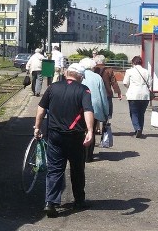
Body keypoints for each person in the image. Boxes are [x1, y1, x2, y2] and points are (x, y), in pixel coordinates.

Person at [34, 63, 94, 218]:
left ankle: (50, 202)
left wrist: (37, 127)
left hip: (54, 135)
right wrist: (90, 130)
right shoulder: (83, 90)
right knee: (77, 169)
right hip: (75, 136)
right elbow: (88, 110)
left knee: (54, 169)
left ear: (67, 73)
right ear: (80, 77)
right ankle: (79, 200)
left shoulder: (52, 88)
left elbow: (41, 109)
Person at [79, 58, 108, 162]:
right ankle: (89, 156)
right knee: (91, 130)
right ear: (92, 67)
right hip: (94, 107)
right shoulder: (97, 77)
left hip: (80, 107)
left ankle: (80, 154)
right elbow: (103, 95)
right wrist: (106, 111)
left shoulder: (79, 76)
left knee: (80, 130)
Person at [122, 55, 152, 138]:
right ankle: (140, 130)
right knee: (141, 113)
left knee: (134, 113)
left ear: (133, 62)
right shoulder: (146, 71)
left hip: (133, 94)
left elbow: (125, 83)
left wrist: (130, 87)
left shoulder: (129, 71)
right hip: (145, 95)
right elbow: (150, 84)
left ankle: (137, 128)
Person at [93, 54, 122, 121]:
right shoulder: (109, 70)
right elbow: (114, 82)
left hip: (96, 92)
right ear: (104, 61)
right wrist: (118, 92)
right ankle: (106, 122)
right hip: (107, 92)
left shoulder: (94, 70)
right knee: (108, 110)